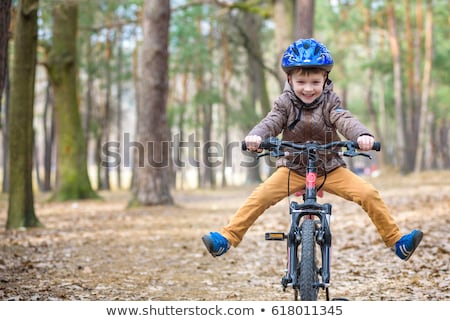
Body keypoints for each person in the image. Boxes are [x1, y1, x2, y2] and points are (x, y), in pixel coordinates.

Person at [202, 38, 423, 261]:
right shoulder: (284, 104)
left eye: (315, 82)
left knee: (368, 194)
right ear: (289, 79)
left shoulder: (330, 102)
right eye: (301, 82)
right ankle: (227, 238)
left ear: (325, 79)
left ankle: (396, 241)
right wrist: (257, 136)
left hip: (330, 169)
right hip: (293, 169)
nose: (308, 89)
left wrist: (362, 135)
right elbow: (272, 121)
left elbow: (344, 119)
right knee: (259, 197)